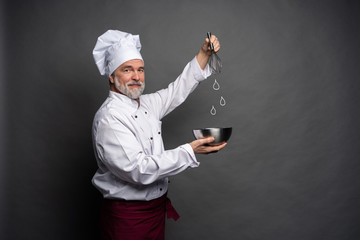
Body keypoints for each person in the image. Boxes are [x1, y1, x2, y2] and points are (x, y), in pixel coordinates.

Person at [91, 29, 227, 240]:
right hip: (128, 219)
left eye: (140, 69)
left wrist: (204, 54)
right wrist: (189, 151)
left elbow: (177, 90)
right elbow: (139, 170)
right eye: (127, 70)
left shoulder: (145, 104)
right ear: (111, 76)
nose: (136, 76)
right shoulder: (109, 117)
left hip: (155, 213)